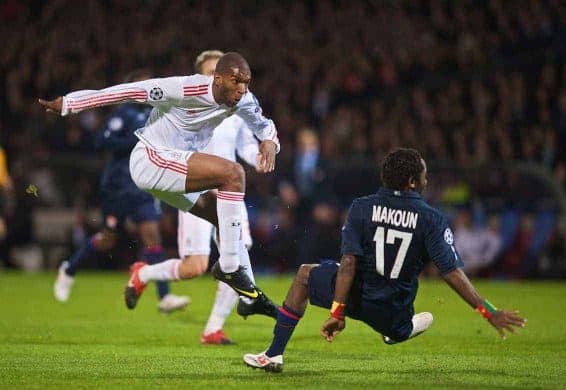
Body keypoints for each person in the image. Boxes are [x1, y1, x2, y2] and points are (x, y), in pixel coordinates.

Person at [243, 148, 526, 373]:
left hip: (355, 298)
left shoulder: (361, 207)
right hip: (393, 311)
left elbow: (350, 263)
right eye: (424, 176)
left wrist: (337, 313)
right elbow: (450, 272)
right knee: (401, 324)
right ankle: (401, 331)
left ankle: (273, 354)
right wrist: (489, 312)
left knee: (305, 274)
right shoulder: (431, 218)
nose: (426, 181)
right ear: (413, 182)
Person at [39, 52, 279, 315]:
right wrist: (69, 104)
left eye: (246, 82)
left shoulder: (243, 99)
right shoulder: (184, 88)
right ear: (217, 79)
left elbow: (264, 124)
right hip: (150, 160)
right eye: (236, 82)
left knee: (223, 219)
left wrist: (270, 140)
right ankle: (231, 269)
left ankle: (248, 295)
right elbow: (127, 92)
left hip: (177, 167)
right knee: (233, 174)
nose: (242, 89)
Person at [53, 70, 190, 312]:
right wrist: (137, 140)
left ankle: (164, 297)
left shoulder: (156, 114)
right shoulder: (123, 114)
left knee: (152, 235)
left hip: (144, 184)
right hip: (117, 185)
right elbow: (102, 141)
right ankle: (69, 268)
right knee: (107, 238)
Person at [174, 50, 274, 345]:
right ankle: (144, 274)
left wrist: (258, 158)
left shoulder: (236, 108)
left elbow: (245, 144)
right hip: (196, 189)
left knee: (237, 251)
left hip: (229, 190)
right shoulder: (186, 105)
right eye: (209, 72)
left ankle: (215, 326)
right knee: (194, 267)